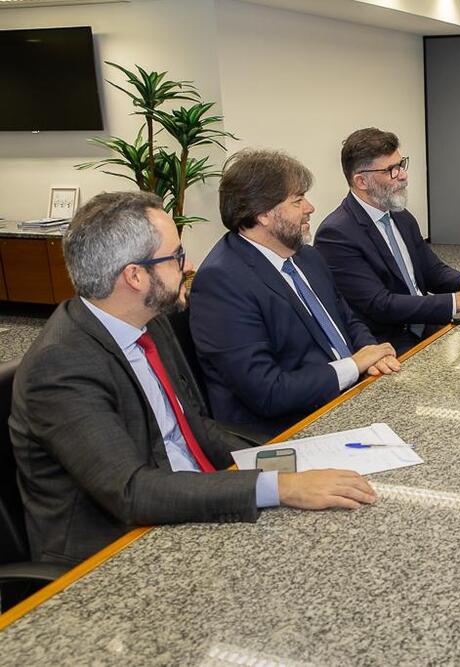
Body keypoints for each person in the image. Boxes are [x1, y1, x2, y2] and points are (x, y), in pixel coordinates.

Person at [9, 192, 376, 565]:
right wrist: (279, 487)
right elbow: (131, 490)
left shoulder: (150, 322)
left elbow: (194, 426)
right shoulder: (61, 365)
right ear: (134, 276)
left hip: (190, 502)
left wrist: (287, 465)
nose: (190, 265)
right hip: (114, 552)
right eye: (176, 257)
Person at [190, 149, 400, 438]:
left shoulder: (307, 257)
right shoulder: (222, 282)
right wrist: (353, 365)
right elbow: (268, 391)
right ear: (262, 213)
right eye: (298, 200)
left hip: (349, 396)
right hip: (292, 428)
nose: (310, 208)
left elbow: (347, 319)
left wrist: (372, 355)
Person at [314, 128, 460, 354]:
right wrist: (458, 301)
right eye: (390, 170)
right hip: (388, 341)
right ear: (361, 181)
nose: (402, 175)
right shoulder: (336, 234)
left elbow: (432, 271)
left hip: (425, 322)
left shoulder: (400, 215)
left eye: (401, 164)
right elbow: (380, 305)